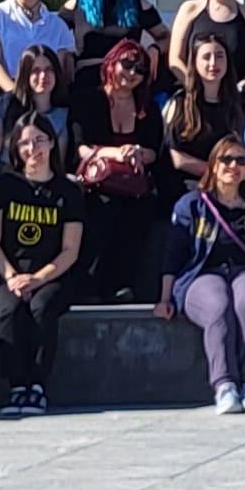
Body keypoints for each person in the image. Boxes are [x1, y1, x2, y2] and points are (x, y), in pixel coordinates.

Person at [158, 137, 245, 413]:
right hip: (203, 274)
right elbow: (173, 255)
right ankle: (225, 385)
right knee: (218, 305)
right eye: (226, 159)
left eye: (241, 161)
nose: (233, 166)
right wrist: (165, 297)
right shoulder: (191, 204)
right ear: (213, 165)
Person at [0, 116, 87, 418]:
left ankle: (37, 385)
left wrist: (37, 279)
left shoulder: (68, 192)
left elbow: (70, 250)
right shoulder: (3, 186)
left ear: (51, 142)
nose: (32, 148)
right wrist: (12, 276)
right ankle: (17, 385)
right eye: (24, 142)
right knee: (10, 308)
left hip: (52, 274)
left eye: (39, 140)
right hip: (9, 273)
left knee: (42, 307)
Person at [69, 41, 175, 301]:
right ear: (111, 63)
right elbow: (80, 147)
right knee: (102, 208)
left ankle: (121, 285)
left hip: (133, 181)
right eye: (127, 64)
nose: (132, 73)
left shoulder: (147, 108)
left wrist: (136, 152)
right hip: (96, 180)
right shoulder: (88, 100)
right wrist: (114, 153)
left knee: (141, 209)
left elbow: (155, 151)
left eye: (140, 69)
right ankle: (89, 285)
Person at [160, 31, 245, 199]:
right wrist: (215, 172)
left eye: (219, 56)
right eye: (206, 57)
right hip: (189, 186)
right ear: (194, 62)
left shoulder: (240, 105)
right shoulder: (180, 103)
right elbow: (176, 158)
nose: (213, 63)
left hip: (231, 184)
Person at [0, 44, 74, 178]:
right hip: (7, 178)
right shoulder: (5, 105)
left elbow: (57, 164)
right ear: (25, 74)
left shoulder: (62, 114)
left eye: (49, 69)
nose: (43, 76)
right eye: (35, 71)